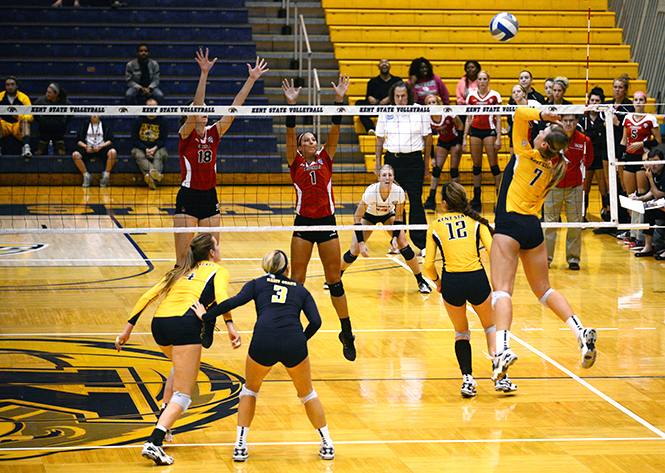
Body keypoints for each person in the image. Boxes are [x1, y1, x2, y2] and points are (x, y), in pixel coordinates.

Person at [191, 250, 335, 462]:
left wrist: (205, 316)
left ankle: (240, 446)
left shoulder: (257, 283)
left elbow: (233, 302)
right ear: (287, 269)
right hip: (294, 342)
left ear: (265, 267)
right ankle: (327, 444)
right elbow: (316, 322)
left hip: (264, 340)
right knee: (307, 394)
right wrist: (300, 340)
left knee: (250, 389)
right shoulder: (301, 290)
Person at [490, 106, 598, 385]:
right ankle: (580, 331)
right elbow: (530, 126)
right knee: (544, 290)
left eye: (542, 133)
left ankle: (501, 350)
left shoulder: (524, 155)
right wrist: (549, 124)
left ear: (543, 144)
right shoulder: (552, 167)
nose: (537, 132)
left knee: (502, 292)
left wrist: (545, 116)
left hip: (509, 226)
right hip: (532, 229)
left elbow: (518, 116)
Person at [114, 233, 239, 466]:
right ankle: (155, 440)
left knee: (178, 368)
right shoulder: (218, 271)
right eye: (218, 246)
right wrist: (230, 326)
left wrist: (127, 330)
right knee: (183, 394)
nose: (220, 249)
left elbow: (148, 295)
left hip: (159, 324)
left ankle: (166, 423)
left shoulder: (179, 271)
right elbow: (222, 296)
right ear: (212, 253)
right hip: (184, 324)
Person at [282, 74, 357, 361]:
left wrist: (339, 98)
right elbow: (290, 136)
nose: (312, 141)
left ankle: (346, 331)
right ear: (300, 146)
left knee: (334, 279)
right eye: (306, 139)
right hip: (303, 223)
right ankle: (290, 331)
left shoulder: (326, 157)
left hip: (327, 222)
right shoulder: (294, 160)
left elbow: (335, 130)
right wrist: (292, 106)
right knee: (296, 281)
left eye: (314, 138)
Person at [174, 49, 267, 268]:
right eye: (200, 109)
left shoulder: (214, 132)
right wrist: (204, 74)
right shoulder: (185, 134)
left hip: (209, 196)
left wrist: (251, 79)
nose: (204, 110)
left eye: (207, 109)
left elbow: (234, 108)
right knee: (181, 261)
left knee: (210, 259)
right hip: (188, 196)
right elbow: (197, 106)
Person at [424, 181, 517, 396]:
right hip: (476, 279)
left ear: (444, 203)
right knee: (491, 327)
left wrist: (438, 282)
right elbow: (495, 251)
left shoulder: (435, 225)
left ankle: (467, 380)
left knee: (461, 332)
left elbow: (428, 264)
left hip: (451, 283)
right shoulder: (476, 222)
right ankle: (500, 378)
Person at [342, 164, 432, 294]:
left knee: (404, 246)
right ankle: (334, 279)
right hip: (369, 216)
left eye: (390, 175)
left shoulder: (399, 192)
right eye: (384, 175)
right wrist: (361, 243)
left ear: (393, 177)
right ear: (379, 178)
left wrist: (395, 237)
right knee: (354, 251)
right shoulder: (371, 192)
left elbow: (399, 217)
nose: (387, 178)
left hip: (388, 215)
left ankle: (420, 281)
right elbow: (357, 216)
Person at [374, 81, 432, 252]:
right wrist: (378, 163)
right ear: (393, 97)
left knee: (416, 202)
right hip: (392, 161)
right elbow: (379, 138)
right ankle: (398, 242)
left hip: (414, 161)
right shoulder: (386, 112)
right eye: (397, 96)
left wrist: (427, 163)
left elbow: (428, 138)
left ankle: (422, 244)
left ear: (409, 96)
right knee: (395, 204)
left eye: (403, 96)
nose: (400, 99)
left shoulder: (418, 111)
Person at [543, 114, 594, 270]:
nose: (569, 123)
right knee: (549, 224)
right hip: (553, 186)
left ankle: (573, 259)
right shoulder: (552, 137)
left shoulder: (584, 140)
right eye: (566, 120)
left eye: (572, 120)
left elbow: (589, 161)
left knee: (575, 224)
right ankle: (546, 260)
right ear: (561, 121)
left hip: (575, 187)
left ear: (577, 121)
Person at [619, 91, 661, 247]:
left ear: (645, 102)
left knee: (642, 194)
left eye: (641, 100)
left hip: (642, 158)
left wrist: (643, 145)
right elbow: (624, 140)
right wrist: (618, 158)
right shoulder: (627, 117)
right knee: (631, 195)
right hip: (629, 158)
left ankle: (640, 236)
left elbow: (658, 141)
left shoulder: (650, 119)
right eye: (635, 100)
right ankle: (632, 233)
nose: (638, 102)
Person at [462, 70, 502, 212]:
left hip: (489, 131)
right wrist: (464, 138)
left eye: (485, 78)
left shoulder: (495, 95)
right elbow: (468, 118)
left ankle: (500, 198)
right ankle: (477, 198)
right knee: (476, 165)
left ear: (488, 80)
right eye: (480, 79)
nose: (483, 81)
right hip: (475, 131)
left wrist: (498, 137)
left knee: (493, 165)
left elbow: (498, 117)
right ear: (477, 81)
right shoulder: (471, 95)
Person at [423, 94, 463, 210]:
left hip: (455, 140)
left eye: (434, 102)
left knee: (453, 170)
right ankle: (431, 198)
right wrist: (432, 158)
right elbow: (428, 139)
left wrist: (459, 144)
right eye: (429, 103)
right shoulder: (427, 117)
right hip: (443, 141)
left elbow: (460, 125)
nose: (432, 105)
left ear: (438, 103)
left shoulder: (448, 112)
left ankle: (456, 198)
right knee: (436, 169)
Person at [355, 58, 402, 134]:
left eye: (386, 62)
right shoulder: (373, 81)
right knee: (359, 103)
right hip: (376, 108)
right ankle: (371, 129)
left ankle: (391, 129)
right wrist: (370, 98)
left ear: (389, 66)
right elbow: (368, 96)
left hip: (390, 108)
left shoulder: (397, 81)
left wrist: (390, 99)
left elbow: (401, 95)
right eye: (382, 63)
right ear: (378, 67)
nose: (384, 64)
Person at [632, 149, 665, 258]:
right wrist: (640, 198)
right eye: (650, 161)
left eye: (656, 161)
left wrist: (650, 179)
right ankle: (648, 247)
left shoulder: (661, 174)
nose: (653, 164)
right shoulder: (654, 172)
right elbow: (652, 192)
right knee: (648, 211)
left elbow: (658, 195)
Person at [132, 98, 170, 190]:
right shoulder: (139, 120)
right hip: (141, 148)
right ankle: (156, 177)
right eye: (150, 107)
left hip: (158, 148)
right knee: (137, 154)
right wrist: (146, 149)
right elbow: (135, 140)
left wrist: (154, 149)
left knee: (159, 155)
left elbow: (163, 140)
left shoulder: (163, 121)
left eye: (154, 107)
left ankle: (151, 177)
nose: (152, 109)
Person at [72, 114, 117, 188]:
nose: (94, 116)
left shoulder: (105, 125)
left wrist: (100, 146)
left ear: (99, 115)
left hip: (101, 148)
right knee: (75, 155)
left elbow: (110, 140)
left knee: (113, 152)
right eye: (93, 114)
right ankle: (86, 176)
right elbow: (78, 140)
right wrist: (86, 146)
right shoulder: (85, 125)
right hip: (88, 148)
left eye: (96, 114)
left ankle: (106, 176)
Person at [584, 87, 608, 218]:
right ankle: (582, 215)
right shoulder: (583, 117)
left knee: (603, 190)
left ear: (602, 103)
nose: (594, 103)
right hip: (587, 158)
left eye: (597, 101)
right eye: (592, 100)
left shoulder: (605, 117)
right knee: (585, 190)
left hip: (600, 158)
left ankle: (606, 214)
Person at [33, 82, 73, 155]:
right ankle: (41, 148)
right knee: (45, 126)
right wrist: (40, 121)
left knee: (57, 125)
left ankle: (60, 148)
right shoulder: (41, 101)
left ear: (56, 94)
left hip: (59, 126)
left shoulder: (64, 101)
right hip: (45, 125)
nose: (47, 94)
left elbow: (71, 113)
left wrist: (64, 122)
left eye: (49, 93)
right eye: (47, 92)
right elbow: (33, 111)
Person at [0, 76, 33, 157]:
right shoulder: (0, 96)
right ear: (5, 86)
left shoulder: (23, 98)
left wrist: (19, 116)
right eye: (8, 85)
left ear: (16, 86)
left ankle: (26, 147)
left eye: (12, 84)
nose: (10, 87)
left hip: (17, 127)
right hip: (4, 126)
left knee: (25, 121)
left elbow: (31, 117)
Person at [506, 84, 540, 157]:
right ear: (512, 96)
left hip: (533, 139)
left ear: (524, 94)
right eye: (514, 92)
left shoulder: (534, 103)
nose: (516, 93)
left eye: (518, 91)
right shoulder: (510, 108)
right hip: (519, 140)